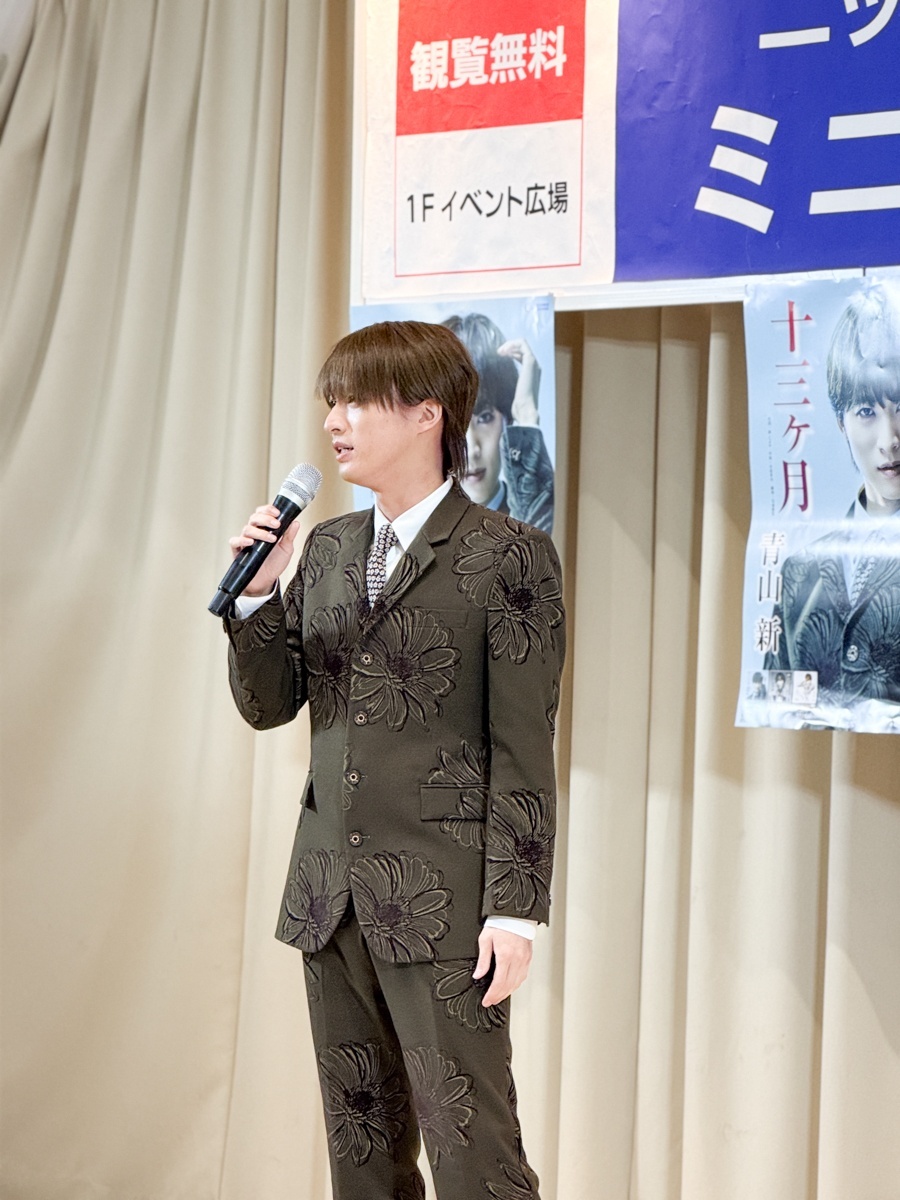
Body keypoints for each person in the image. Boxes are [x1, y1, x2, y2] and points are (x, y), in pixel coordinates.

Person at [223, 320, 566, 1199]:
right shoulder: (328, 547)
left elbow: (524, 747)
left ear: (426, 413)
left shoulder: (509, 556)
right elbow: (269, 704)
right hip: (329, 898)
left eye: (355, 402)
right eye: (330, 403)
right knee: (363, 1159)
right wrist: (257, 598)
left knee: (476, 1157)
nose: (333, 422)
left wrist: (516, 911)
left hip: (446, 902)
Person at [766, 283, 900, 712]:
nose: (889, 440)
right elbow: (776, 702)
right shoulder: (799, 571)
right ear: (841, 423)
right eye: (866, 412)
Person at [441, 313, 555, 534]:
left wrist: (526, 415)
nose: (471, 450)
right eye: (454, 424)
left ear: (507, 419)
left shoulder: (526, 514)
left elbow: (534, 550)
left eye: (484, 418)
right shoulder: (414, 526)